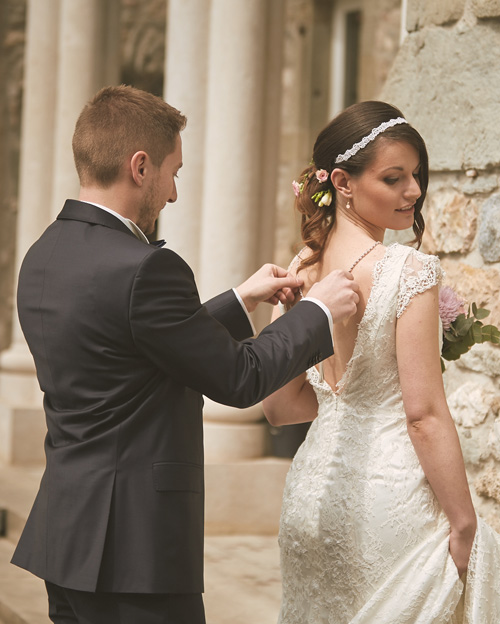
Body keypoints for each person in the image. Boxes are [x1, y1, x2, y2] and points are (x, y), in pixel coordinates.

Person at [11, 85, 361, 624]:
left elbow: (132, 349)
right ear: (140, 166)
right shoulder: (147, 267)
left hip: (67, 538)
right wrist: (316, 310)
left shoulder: (43, 253)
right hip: (136, 553)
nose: (174, 194)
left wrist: (240, 301)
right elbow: (238, 379)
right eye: (174, 172)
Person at [263, 100, 500, 623]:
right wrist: (464, 525)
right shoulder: (407, 269)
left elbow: (280, 408)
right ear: (342, 183)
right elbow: (423, 415)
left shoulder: (303, 267)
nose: (413, 191)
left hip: (310, 500)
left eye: (416, 175)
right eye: (394, 178)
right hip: (391, 509)